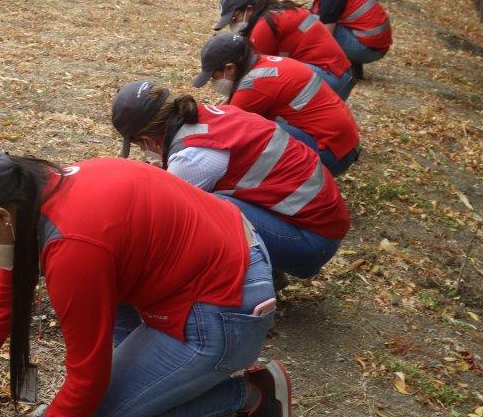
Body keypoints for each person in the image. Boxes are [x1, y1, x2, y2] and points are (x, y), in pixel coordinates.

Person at [0, 148, 293, 417]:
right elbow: (6, 296)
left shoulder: (74, 246)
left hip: (225, 306)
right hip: (218, 254)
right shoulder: (42, 192)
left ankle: (251, 395)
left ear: (1, 217)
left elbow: (87, 373)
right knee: (92, 404)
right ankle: (153, 377)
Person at [112, 82, 349, 281]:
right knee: (204, 200)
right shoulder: (205, 115)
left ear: (147, 140)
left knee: (203, 211)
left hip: (312, 242)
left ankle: (250, 284)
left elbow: (160, 220)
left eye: (139, 145)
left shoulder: (192, 157)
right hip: (322, 222)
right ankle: (266, 270)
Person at [192, 33, 361, 176]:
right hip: (343, 144)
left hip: (332, 154)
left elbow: (222, 128)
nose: (214, 82)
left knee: (247, 139)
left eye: (214, 77)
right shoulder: (266, 63)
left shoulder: (253, 85)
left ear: (230, 69)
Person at [215, 0, 355, 99]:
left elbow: (252, 74)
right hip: (340, 74)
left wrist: (232, 101)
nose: (233, 24)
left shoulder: (264, 26)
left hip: (332, 78)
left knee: (267, 87)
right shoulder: (276, 12)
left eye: (235, 18)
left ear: (249, 10)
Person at [296, 0, 393, 80]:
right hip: (377, 46)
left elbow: (325, 37)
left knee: (315, 24)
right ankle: (353, 69)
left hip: (368, 50)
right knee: (327, 22)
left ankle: (337, 68)